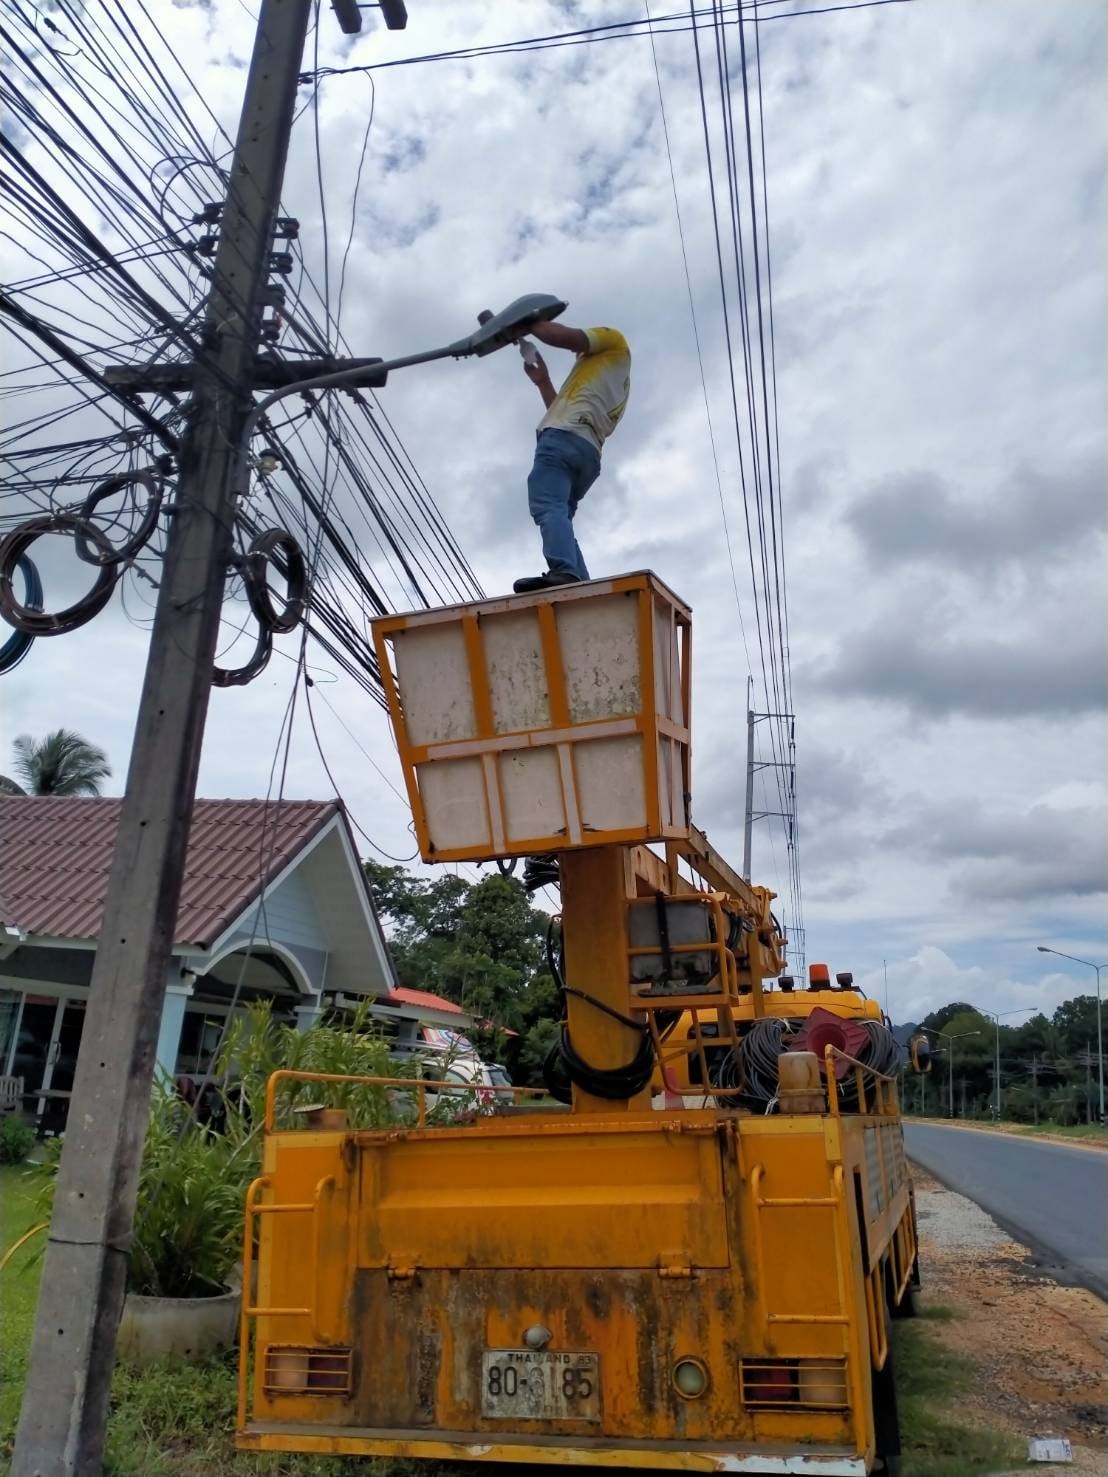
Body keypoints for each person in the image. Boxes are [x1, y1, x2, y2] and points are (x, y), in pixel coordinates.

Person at [511, 318, 631, 594]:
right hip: (587, 454)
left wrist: (527, 321)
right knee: (559, 513)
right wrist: (544, 382)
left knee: (548, 505)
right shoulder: (612, 383)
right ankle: (580, 585)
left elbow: (559, 335)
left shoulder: (614, 341)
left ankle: (564, 571)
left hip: (562, 441)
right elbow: (561, 412)